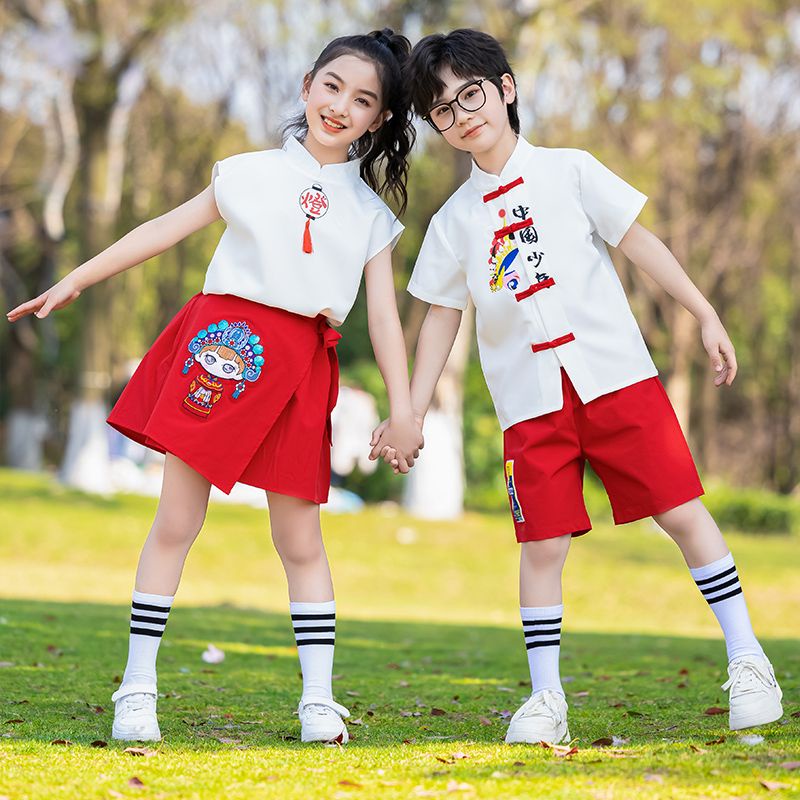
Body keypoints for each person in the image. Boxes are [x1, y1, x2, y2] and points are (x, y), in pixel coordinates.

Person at [8, 28, 424, 745]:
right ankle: (137, 688)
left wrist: (406, 407)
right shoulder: (246, 173)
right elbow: (162, 230)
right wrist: (76, 278)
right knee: (177, 520)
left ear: (379, 118)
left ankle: (317, 700)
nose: (340, 106)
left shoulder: (370, 216)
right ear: (307, 86)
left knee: (299, 538)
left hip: (303, 366)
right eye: (331, 87)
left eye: (362, 100)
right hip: (224, 349)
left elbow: (384, 318)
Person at [371, 28, 782, 743]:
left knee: (681, 513)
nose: (462, 114)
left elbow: (638, 241)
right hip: (529, 405)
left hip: (616, 379)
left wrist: (704, 313)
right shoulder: (453, 222)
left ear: (506, 89)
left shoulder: (570, 171)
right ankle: (546, 697)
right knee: (542, 546)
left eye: (472, 94)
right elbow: (440, 316)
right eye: (442, 108)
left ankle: (748, 658)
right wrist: (409, 409)